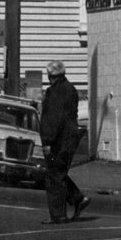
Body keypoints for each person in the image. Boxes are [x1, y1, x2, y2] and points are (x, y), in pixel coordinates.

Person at [39, 60, 90, 225]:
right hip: (70, 138)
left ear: (51, 76)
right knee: (59, 173)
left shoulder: (54, 92)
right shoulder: (71, 89)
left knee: (53, 176)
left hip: (59, 141)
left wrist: (47, 141)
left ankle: (58, 215)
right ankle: (77, 198)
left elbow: (53, 119)